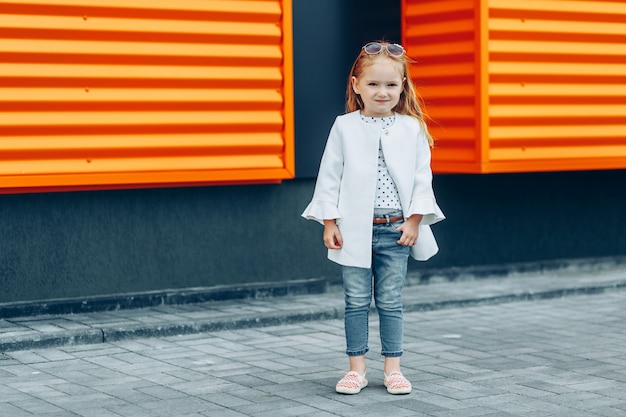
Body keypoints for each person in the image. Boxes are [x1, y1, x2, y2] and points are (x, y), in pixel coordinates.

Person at [301, 41, 445, 395]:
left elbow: (420, 178)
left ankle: (393, 369)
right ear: (356, 85)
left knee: (391, 300)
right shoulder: (344, 126)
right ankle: (356, 369)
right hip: (354, 230)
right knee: (355, 300)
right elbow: (329, 175)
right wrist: (329, 222)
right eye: (374, 84)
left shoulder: (411, 128)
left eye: (391, 85)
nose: (383, 92)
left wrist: (414, 221)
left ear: (403, 87)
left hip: (396, 229)